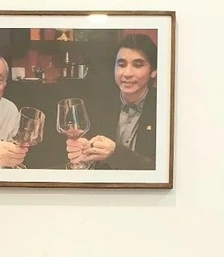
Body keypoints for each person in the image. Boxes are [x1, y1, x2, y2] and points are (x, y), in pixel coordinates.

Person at [66, 34, 158, 170]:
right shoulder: (99, 103)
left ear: (153, 71)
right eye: (121, 65)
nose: (127, 73)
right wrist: (85, 150)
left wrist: (116, 154)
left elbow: (161, 169)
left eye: (137, 65)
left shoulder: (163, 108)